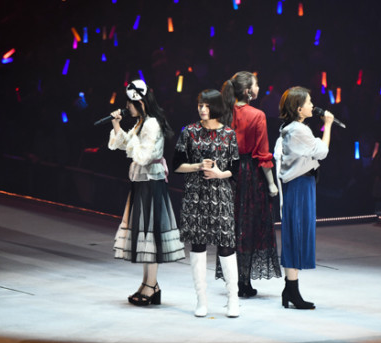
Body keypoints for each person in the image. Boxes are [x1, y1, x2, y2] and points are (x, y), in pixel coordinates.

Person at [108, 79, 185, 306]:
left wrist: (131, 142)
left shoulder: (151, 124)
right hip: (142, 182)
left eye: (129, 103)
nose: (127, 107)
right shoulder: (142, 122)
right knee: (144, 236)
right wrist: (116, 126)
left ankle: (151, 285)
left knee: (150, 235)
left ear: (140, 102)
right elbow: (127, 146)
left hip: (152, 182)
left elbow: (144, 155)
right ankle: (149, 284)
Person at [173, 89, 241, 317]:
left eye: (207, 105)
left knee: (227, 245)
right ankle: (201, 300)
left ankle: (233, 299)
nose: (202, 109)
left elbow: (236, 168)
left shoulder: (229, 134)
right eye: (200, 105)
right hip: (195, 195)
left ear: (216, 107)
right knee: (198, 245)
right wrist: (198, 166)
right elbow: (177, 165)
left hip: (221, 195)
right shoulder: (189, 132)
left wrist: (220, 174)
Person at [220, 71, 282, 298]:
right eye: (256, 85)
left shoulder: (224, 113)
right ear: (247, 91)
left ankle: (232, 279)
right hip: (249, 174)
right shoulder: (257, 115)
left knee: (231, 226)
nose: (259, 88)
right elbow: (263, 154)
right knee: (248, 226)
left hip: (227, 173)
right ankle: (244, 282)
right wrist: (272, 184)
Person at [274, 86, 334, 309]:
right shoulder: (298, 130)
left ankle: (290, 289)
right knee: (296, 233)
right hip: (299, 185)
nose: (312, 105)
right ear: (299, 109)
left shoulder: (292, 128)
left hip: (301, 184)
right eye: (309, 102)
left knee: (296, 233)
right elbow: (322, 152)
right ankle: (292, 290)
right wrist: (328, 125)